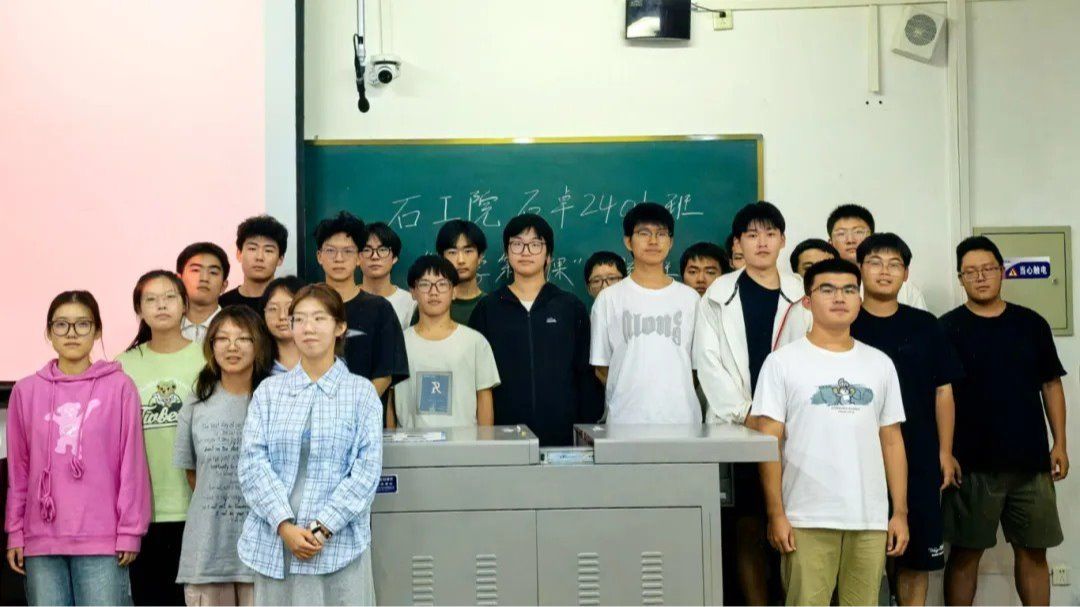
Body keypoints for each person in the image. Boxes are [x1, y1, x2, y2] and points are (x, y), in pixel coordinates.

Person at [752, 257, 910, 606]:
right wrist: (776, 514)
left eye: (849, 290)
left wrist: (899, 512)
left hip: (868, 519)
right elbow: (769, 442)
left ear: (859, 299)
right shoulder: (782, 363)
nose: (840, 297)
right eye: (827, 289)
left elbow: (891, 440)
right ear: (807, 301)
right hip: (805, 517)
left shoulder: (880, 364)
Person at [941, 236, 1067, 607]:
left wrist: (1060, 443)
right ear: (960, 278)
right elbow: (939, 396)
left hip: (1031, 463)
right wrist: (945, 453)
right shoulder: (947, 328)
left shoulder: (1031, 324)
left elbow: (1051, 384)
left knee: (1034, 552)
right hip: (971, 465)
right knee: (965, 554)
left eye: (988, 269)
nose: (980, 277)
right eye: (970, 272)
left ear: (1002, 272)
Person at [237, 284, 382, 606]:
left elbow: (366, 473)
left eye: (319, 318)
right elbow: (252, 464)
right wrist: (284, 525)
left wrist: (321, 528)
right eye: (299, 319)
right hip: (278, 542)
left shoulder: (361, 393)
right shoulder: (269, 392)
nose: (308, 328)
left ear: (340, 327)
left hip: (339, 546)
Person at [692, 201, 807, 605]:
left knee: (796, 527)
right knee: (747, 527)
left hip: (795, 430)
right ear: (738, 243)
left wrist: (784, 417)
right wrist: (748, 414)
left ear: (783, 240)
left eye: (770, 234)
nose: (762, 242)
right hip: (737, 429)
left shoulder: (803, 294)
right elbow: (707, 363)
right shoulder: (718, 295)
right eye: (752, 235)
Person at [5, 291, 151, 606]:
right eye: (61, 325)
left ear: (97, 331)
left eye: (82, 324)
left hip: (103, 541)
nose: (72, 333)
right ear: (49, 332)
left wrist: (129, 530)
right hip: (42, 542)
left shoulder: (120, 387)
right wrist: (15, 531)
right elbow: (19, 470)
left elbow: (132, 464)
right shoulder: (26, 391)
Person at [849, 233, 963, 606]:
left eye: (894, 264)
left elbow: (943, 391)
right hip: (857, 458)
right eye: (875, 263)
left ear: (906, 273)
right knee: (863, 559)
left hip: (919, 456)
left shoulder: (926, 325)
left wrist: (944, 452)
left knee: (917, 558)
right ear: (860, 269)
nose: (884, 271)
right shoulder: (845, 322)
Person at [469, 214, 602, 446]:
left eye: (535, 244)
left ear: (548, 255)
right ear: (507, 253)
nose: (526, 251)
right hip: (504, 436)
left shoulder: (570, 307)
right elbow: (478, 380)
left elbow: (586, 376)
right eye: (517, 244)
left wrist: (585, 432)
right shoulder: (487, 309)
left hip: (563, 439)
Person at [116, 270, 207, 605]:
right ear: (139, 310)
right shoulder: (121, 366)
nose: (161, 305)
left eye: (170, 297)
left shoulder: (208, 358)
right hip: (144, 511)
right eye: (151, 299)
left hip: (197, 506)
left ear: (184, 305)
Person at [173, 306, 274, 606]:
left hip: (264, 553)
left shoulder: (274, 399)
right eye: (223, 338)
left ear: (258, 345)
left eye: (243, 338)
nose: (232, 347)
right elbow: (193, 474)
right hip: (207, 552)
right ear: (211, 345)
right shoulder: (197, 401)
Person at [591, 203, 701, 423]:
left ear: (670, 241)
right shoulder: (609, 299)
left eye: (661, 234)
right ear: (628, 241)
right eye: (644, 233)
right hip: (625, 421)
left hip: (682, 420)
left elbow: (697, 368)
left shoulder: (691, 299)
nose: (653, 241)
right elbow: (601, 367)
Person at [392, 256, 500, 430]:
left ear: (454, 291)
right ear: (413, 291)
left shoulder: (475, 342)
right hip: (411, 444)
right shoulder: (399, 342)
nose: (433, 292)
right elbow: (391, 401)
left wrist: (485, 443)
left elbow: (484, 400)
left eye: (442, 284)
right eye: (425, 284)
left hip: (463, 444)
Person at [313, 211, 408, 398]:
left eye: (348, 251)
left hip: (364, 411)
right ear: (319, 256)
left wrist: (354, 408)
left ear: (358, 258)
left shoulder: (380, 309)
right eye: (330, 251)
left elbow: (385, 374)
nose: (339, 258)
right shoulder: (306, 306)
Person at [826, 204, 928, 310]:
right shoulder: (820, 284)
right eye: (841, 234)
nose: (850, 240)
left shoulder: (904, 288)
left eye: (858, 232)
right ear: (830, 243)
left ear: (872, 238)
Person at [220, 215, 289, 312]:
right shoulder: (222, 305)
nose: (259, 257)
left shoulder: (293, 303)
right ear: (239, 254)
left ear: (280, 259)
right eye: (252, 249)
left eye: (268, 250)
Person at [359, 222, 416, 330]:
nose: (375, 256)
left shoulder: (411, 303)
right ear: (357, 257)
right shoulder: (345, 298)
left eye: (382, 250)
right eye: (367, 250)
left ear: (394, 258)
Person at [435, 219, 489, 324]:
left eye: (468, 251)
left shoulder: (493, 307)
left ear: (480, 257)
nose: (461, 260)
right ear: (442, 258)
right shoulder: (430, 306)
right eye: (452, 252)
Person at [177, 242, 231, 342]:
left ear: (224, 285)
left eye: (213, 272)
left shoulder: (238, 327)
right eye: (195, 270)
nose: (204, 278)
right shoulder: (163, 325)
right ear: (179, 281)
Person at [261, 276, 306, 375]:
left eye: (290, 307)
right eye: (273, 309)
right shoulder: (255, 367)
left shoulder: (325, 363)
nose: (282, 316)